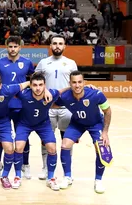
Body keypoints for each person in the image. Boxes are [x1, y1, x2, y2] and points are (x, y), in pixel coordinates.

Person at [0, 73, 52, 189]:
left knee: (9, 148)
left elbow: (28, 83)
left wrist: (46, 90)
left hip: (3, 121)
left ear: (1, 85)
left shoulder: (8, 89)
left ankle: (5, 176)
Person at [56, 71, 112, 194]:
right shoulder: (65, 97)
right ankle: (67, 177)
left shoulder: (96, 94)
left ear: (84, 83)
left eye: (80, 82)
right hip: (77, 124)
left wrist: (105, 132)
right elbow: (53, 101)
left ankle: (98, 180)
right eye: (74, 82)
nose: (77, 85)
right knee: (65, 145)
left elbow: (107, 111)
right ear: (70, 83)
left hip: (96, 124)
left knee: (102, 149)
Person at [0, 36, 35, 179]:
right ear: (6, 47)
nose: (13, 49)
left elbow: (34, 80)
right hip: (3, 105)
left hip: (21, 105)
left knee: (23, 136)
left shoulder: (27, 63)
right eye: (10, 46)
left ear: (20, 47)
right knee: (0, 136)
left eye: (15, 46)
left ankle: (25, 165)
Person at [34, 34, 78, 180]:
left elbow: (76, 84)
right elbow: (36, 82)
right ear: (50, 46)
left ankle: (67, 172)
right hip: (47, 107)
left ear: (65, 46)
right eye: (54, 43)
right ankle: (45, 169)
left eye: (60, 43)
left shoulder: (71, 63)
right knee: (46, 140)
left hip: (67, 109)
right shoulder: (43, 63)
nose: (57, 46)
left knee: (67, 140)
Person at [13, 72, 63, 190]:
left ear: (45, 85)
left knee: (52, 147)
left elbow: (62, 91)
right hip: (24, 124)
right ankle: (17, 176)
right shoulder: (24, 94)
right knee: (19, 147)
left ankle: (50, 178)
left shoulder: (52, 93)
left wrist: (71, 86)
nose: (38, 88)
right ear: (30, 85)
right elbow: (11, 89)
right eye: (34, 85)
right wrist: (26, 84)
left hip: (43, 124)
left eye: (41, 85)